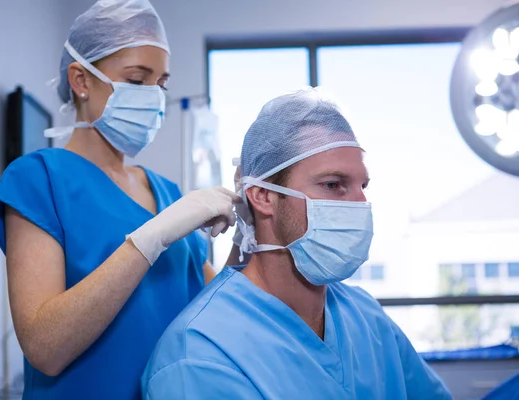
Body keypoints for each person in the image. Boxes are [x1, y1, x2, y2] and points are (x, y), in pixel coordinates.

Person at [0, 1, 239, 399]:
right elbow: (44, 347)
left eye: (162, 84)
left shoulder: (168, 194)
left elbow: (218, 310)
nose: (155, 97)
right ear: (81, 80)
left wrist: (251, 236)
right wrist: (152, 237)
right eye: (138, 81)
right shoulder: (39, 178)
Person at [141, 88, 453, 399]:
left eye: (362, 185)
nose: (360, 203)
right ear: (263, 196)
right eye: (333, 184)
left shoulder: (366, 317)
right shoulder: (199, 354)